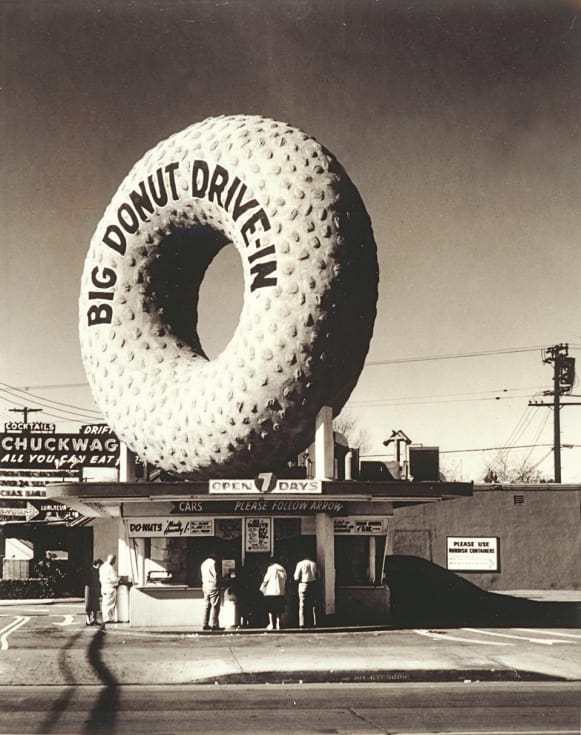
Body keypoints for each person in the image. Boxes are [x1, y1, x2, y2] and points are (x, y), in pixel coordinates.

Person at [260, 557, 287, 630]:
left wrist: (262, 587)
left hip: (271, 592)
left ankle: (272, 624)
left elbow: (266, 579)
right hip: (280, 592)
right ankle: (279, 624)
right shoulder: (282, 569)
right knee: (279, 609)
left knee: (270, 610)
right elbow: (285, 579)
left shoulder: (271, 568)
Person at [294, 555, 318, 628]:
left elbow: (296, 577)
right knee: (312, 604)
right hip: (313, 585)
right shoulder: (314, 564)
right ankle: (313, 622)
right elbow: (318, 575)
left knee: (302, 605)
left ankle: (302, 623)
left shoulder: (300, 564)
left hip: (303, 585)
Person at [200, 552, 221, 630]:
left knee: (207, 606)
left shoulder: (203, 563)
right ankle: (215, 624)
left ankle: (205, 623)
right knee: (215, 606)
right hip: (213, 586)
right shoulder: (213, 563)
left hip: (205, 586)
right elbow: (216, 575)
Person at [99, 554, 119, 624]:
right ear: (112, 560)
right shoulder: (110, 568)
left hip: (104, 587)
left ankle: (105, 618)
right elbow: (114, 579)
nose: (114, 562)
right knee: (110, 604)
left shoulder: (102, 567)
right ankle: (108, 618)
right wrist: (118, 579)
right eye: (114, 560)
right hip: (110, 587)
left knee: (105, 603)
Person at [84, 559, 102, 626]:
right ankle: (88, 619)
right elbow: (86, 580)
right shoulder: (90, 570)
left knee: (95, 604)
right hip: (89, 588)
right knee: (89, 604)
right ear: (97, 564)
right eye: (100, 564)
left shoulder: (98, 571)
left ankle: (94, 619)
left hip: (94, 588)